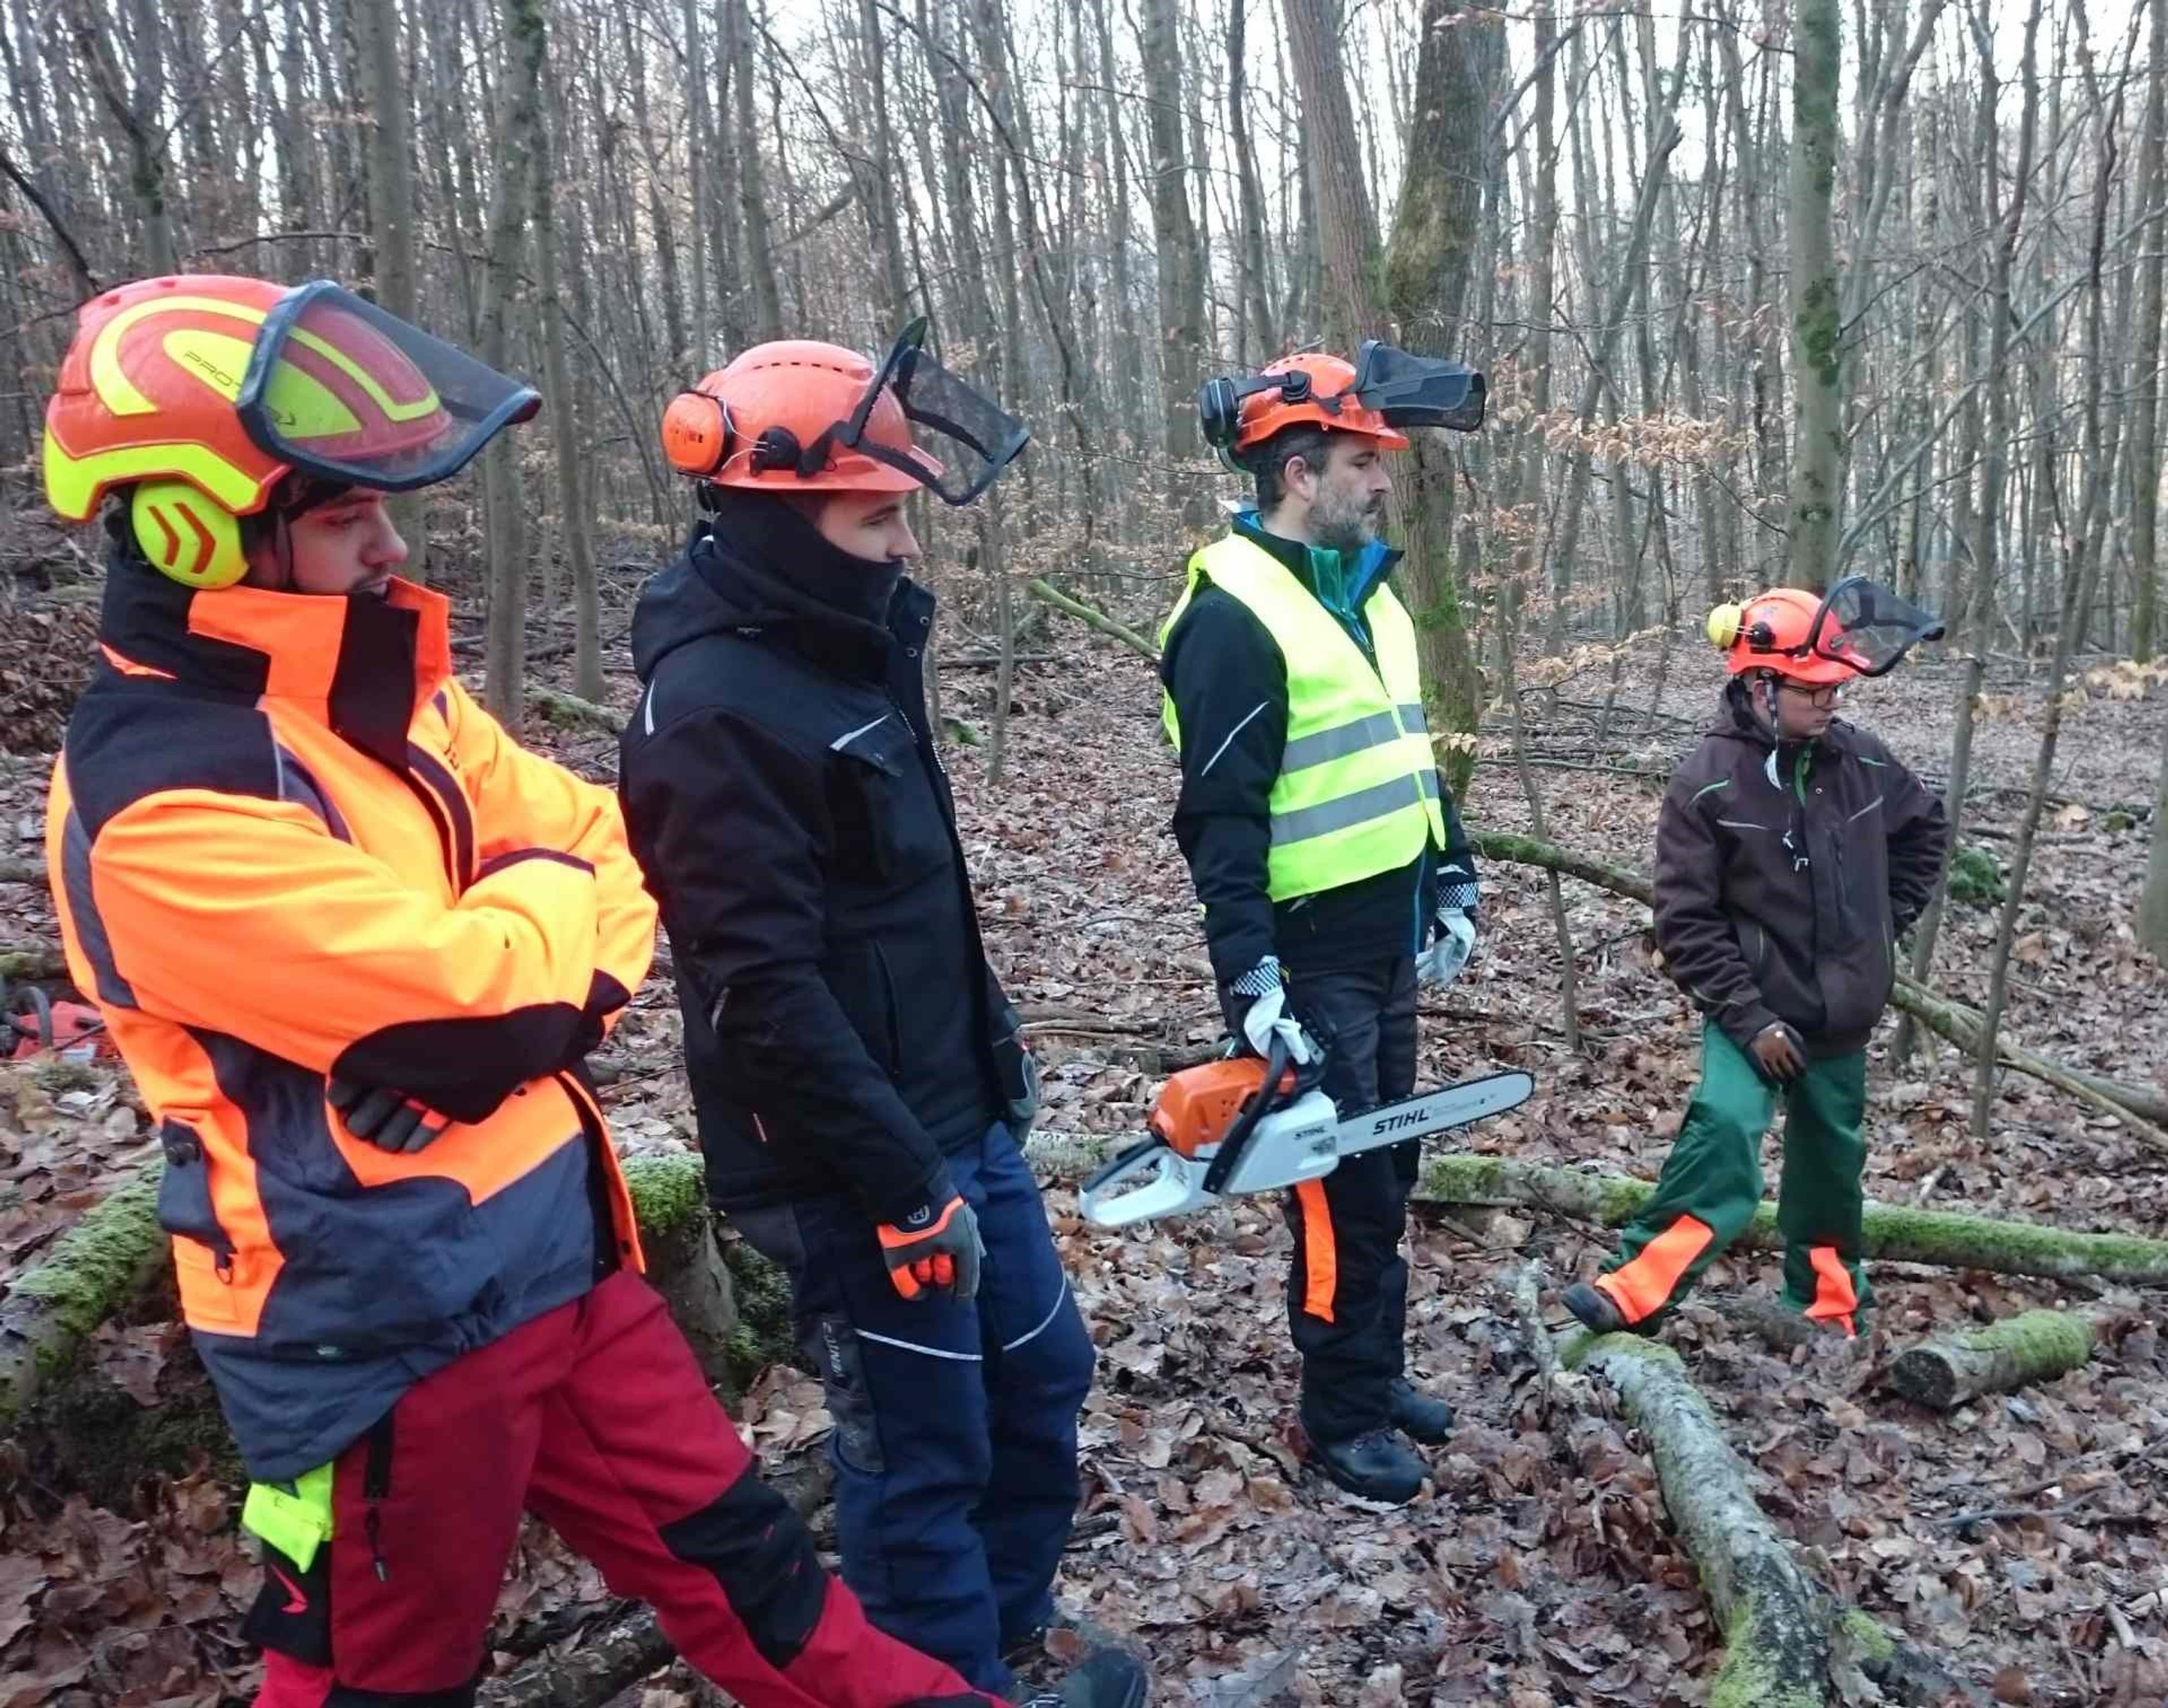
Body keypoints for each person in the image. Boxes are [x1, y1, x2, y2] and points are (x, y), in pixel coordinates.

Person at [41, 273, 1137, 1708]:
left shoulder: (381, 692)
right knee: (383, 1672)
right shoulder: (164, 801)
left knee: (754, 1573)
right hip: (377, 1321)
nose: (389, 546)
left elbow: (598, 840)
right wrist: (524, 936)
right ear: (193, 528)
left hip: (560, 1254)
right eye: (341, 514)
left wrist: (517, 931)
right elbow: (495, 1012)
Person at [618, 327, 1121, 1704]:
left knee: (1041, 1379)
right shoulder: (714, 705)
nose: (904, 545)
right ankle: (939, 1681)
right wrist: (901, 1182)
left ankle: (999, 1645)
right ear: (780, 516)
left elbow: (912, 896)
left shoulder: (849, 648)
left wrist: (994, 1043)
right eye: (876, 514)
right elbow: (759, 988)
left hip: (954, 1108)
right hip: (854, 1163)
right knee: (921, 1452)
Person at [1158, 346, 1487, 1506]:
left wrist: (1448, 871)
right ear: (1300, 472)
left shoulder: (1367, 595)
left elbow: (1408, 755)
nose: (1381, 484)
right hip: (1303, 951)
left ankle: (1373, 1369)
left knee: (1388, 1163)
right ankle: (1338, 1415)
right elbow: (1220, 815)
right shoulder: (1232, 617)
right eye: (1361, 463)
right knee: (1337, 1185)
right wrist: (1249, 973)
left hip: (1384, 929)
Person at [1563, 581, 1949, 1339]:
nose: (1831, 700)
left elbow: (1925, 831)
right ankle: (1637, 1288)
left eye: (1837, 685)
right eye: (1813, 688)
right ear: (1760, 684)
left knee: (1832, 1163)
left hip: (1842, 1010)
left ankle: (1830, 1305)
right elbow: (1686, 919)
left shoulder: (1862, 761)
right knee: (1726, 1132)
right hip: (1753, 1009)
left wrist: (1884, 924)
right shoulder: (1707, 778)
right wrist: (1748, 1017)